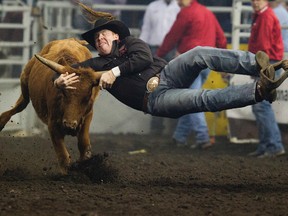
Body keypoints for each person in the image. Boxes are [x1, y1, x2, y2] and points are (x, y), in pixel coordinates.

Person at [52, 5, 288, 134]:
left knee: (198, 53)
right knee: (202, 98)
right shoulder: (94, 65)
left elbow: (143, 58)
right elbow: (67, 71)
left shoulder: (131, 43)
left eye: (103, 34)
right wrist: (58, 80)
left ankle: (257, 64)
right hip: (155, 99)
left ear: (115, 35)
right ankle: (259, 90)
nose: (99, 40)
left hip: (167, 74)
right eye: (96, 39)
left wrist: (115, 72)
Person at [156, 0, 227, 149]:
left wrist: (158, 56)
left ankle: (202, 136)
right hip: (208, 62)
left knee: (192, 100)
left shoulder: (186, 13)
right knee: (190, 98)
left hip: (190, 63)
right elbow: (221, 38)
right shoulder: (207, 12)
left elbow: (172, 37)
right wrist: (222, 62)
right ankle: (180, 136)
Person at [247, 0, 285, 158]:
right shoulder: (263, 15)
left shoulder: (264, 17)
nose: (255, 2)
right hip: (269, 66)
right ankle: (266, 145)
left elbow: (263, 47)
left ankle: (273, 145)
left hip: (266, 66)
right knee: (260, 107)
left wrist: (259, 69)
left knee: (261, 107)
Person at [139, 0, 180, 135]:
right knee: (154, 86)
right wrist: (141, 50)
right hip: (155, 49)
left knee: (175, 87)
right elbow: (146, 29)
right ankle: (156, 126)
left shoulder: (179, 7)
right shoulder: (153, 6)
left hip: (173, 50)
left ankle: (173, 127)